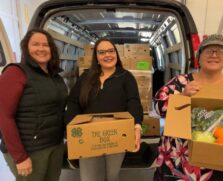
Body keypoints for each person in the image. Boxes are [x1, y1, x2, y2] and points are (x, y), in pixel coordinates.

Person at [153, 34, 223, 181]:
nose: (214, 55)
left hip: (218, 163)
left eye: (220, 51)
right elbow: (158, 108)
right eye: (208, 51)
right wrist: (182, 96)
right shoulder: (181, 82)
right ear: (198, 57)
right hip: (178, 158)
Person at [64, 38, 143, 181]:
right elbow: (73, 102)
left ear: (116, 54)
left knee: (112, 176)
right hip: (89, 134)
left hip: (116, 134)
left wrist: (136, 126)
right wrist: (71, 128)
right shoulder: (86, 77)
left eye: (111, 51)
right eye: (102, 52)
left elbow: (134, 102)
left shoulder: (126, 77)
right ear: (97, 57)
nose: (107, 55)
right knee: (90, 177)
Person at [0, 29, 68, 181]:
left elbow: (58, 110)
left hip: (54, 145)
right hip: (29, 149)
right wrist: (19, 157)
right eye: (35, 44)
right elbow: (4, 116)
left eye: (45, 45)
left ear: (52, 49)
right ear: (26, 48)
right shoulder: (15, 73)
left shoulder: (55, 76)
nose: (41, 48)